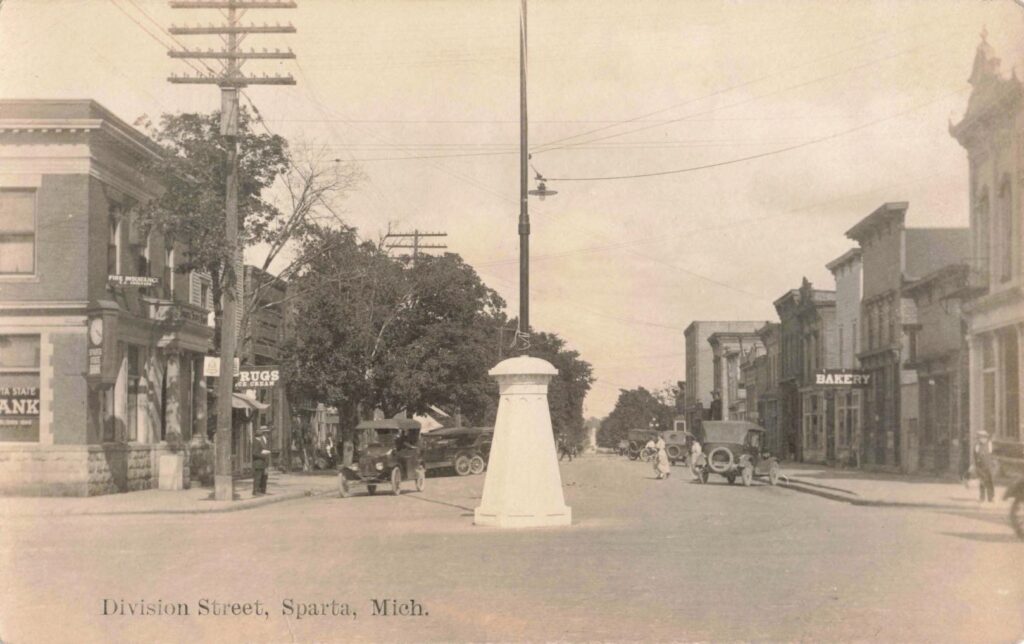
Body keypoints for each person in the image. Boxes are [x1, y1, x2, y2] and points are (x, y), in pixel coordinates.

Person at [973, 430, 996, 503]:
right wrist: (976, 466)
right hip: (980, 467)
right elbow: (975, 457)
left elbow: (993, 455)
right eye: (980, 437)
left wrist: (993, 465)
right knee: (982, 482)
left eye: (984, 437)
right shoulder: (977, 446)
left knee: (990, 481)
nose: (982, 439)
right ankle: (982, 497)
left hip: (989, 466)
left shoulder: (989, 445)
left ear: (986, 438)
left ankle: (991, 497)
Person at [252, 428, 271, 495]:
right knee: (257, 478)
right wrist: (263, 455)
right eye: (261, 436)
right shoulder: (256, 442)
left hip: (261, 463)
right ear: (259, 436)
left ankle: (259, 491)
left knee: (261, 477)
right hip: (258, 463)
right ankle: (256, 491)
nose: (261, 437)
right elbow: (254, 453)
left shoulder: (257, 442)